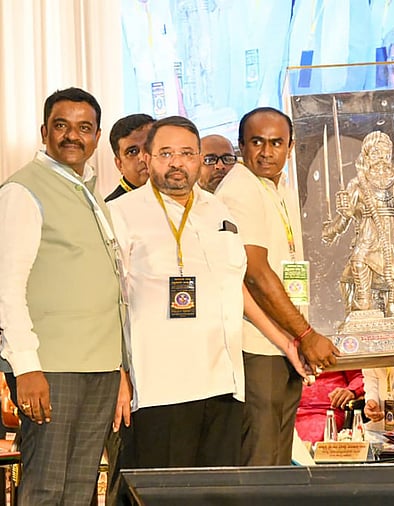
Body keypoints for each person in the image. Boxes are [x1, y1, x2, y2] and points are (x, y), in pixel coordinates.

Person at [0, 87, 123, 504]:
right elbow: (7, 288)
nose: (73, 136)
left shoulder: (87, 190)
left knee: (80, 488)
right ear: (44, 132)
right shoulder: (24, 190)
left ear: (96, 136)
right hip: (51, 369)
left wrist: (120, 366)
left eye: (84, 128)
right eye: (62, 126)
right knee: (47, 487)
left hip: (100, 367)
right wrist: (27, 367)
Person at [108, 116, 246, 467]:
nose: (177, 162)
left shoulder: (218, 210)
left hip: (223, 382)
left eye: (187, 153)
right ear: (148, 159)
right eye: (166, 153)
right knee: (160, 492)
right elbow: (107, 300)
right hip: (159, 386)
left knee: (218, 494)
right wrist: (116, 374)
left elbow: (235, 287)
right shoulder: (121, 213)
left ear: (199, 157)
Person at [216, 106, 339, 466]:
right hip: (258, 343)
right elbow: (254, 272)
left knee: (278, 456)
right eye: (256, 142)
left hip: (282, 340)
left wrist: (298, 335)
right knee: (261, 458)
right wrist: (305, 334)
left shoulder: (277, 185)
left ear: (291, 146)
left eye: (276, 143)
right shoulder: (240, 188)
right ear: (240, 146)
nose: (266, 152)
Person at [322, 131, 394, 317]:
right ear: (366, 156)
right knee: (358, 260)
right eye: (375, 152)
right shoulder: (357, 184)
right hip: (369, 234)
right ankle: (364, 301)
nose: (381, 157)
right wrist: (339, 219)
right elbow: (346, 218)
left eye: (384, 152)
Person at [295, 370, 364, 442]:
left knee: (308, 441)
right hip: (289, 409)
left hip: (326, 411)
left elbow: (360, 376)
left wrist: (352, 390)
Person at [105, 113, 154, 201]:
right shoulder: (110, 210)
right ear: (119, 165)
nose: (143, 157)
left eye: (149, 147)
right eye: (132, 152)